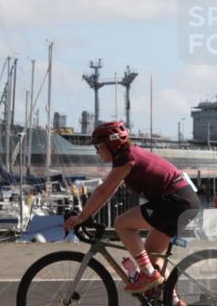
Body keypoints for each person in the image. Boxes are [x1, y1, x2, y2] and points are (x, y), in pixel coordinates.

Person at [64, 121, 200, 296]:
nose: (96, 151)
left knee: (122, 224)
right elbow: (107, 192)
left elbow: (104, 190)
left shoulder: (127, 159)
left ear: (112, 144)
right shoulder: (128, 156)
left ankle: (149, 275)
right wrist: (87, 215)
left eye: (98, 146)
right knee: (152, 257)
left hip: (176, 201)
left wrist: (82, 217)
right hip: (184, 201)